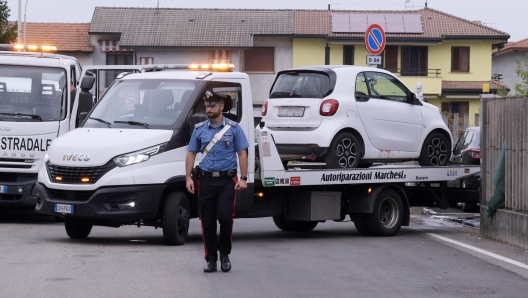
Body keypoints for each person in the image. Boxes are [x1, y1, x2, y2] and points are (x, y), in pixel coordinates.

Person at [185, 90, 249, 273]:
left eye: (213, 105)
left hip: (227, 181)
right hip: (205, 181)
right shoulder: (200, 129)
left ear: (222, 106)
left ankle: (225, 254)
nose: (209, 108)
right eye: (207, 105)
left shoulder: (234, 128)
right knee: (208, 222)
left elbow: (242, 153)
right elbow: (191, 154)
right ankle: (211, 259)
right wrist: (188, 177)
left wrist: (244, 178)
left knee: (225, 218)